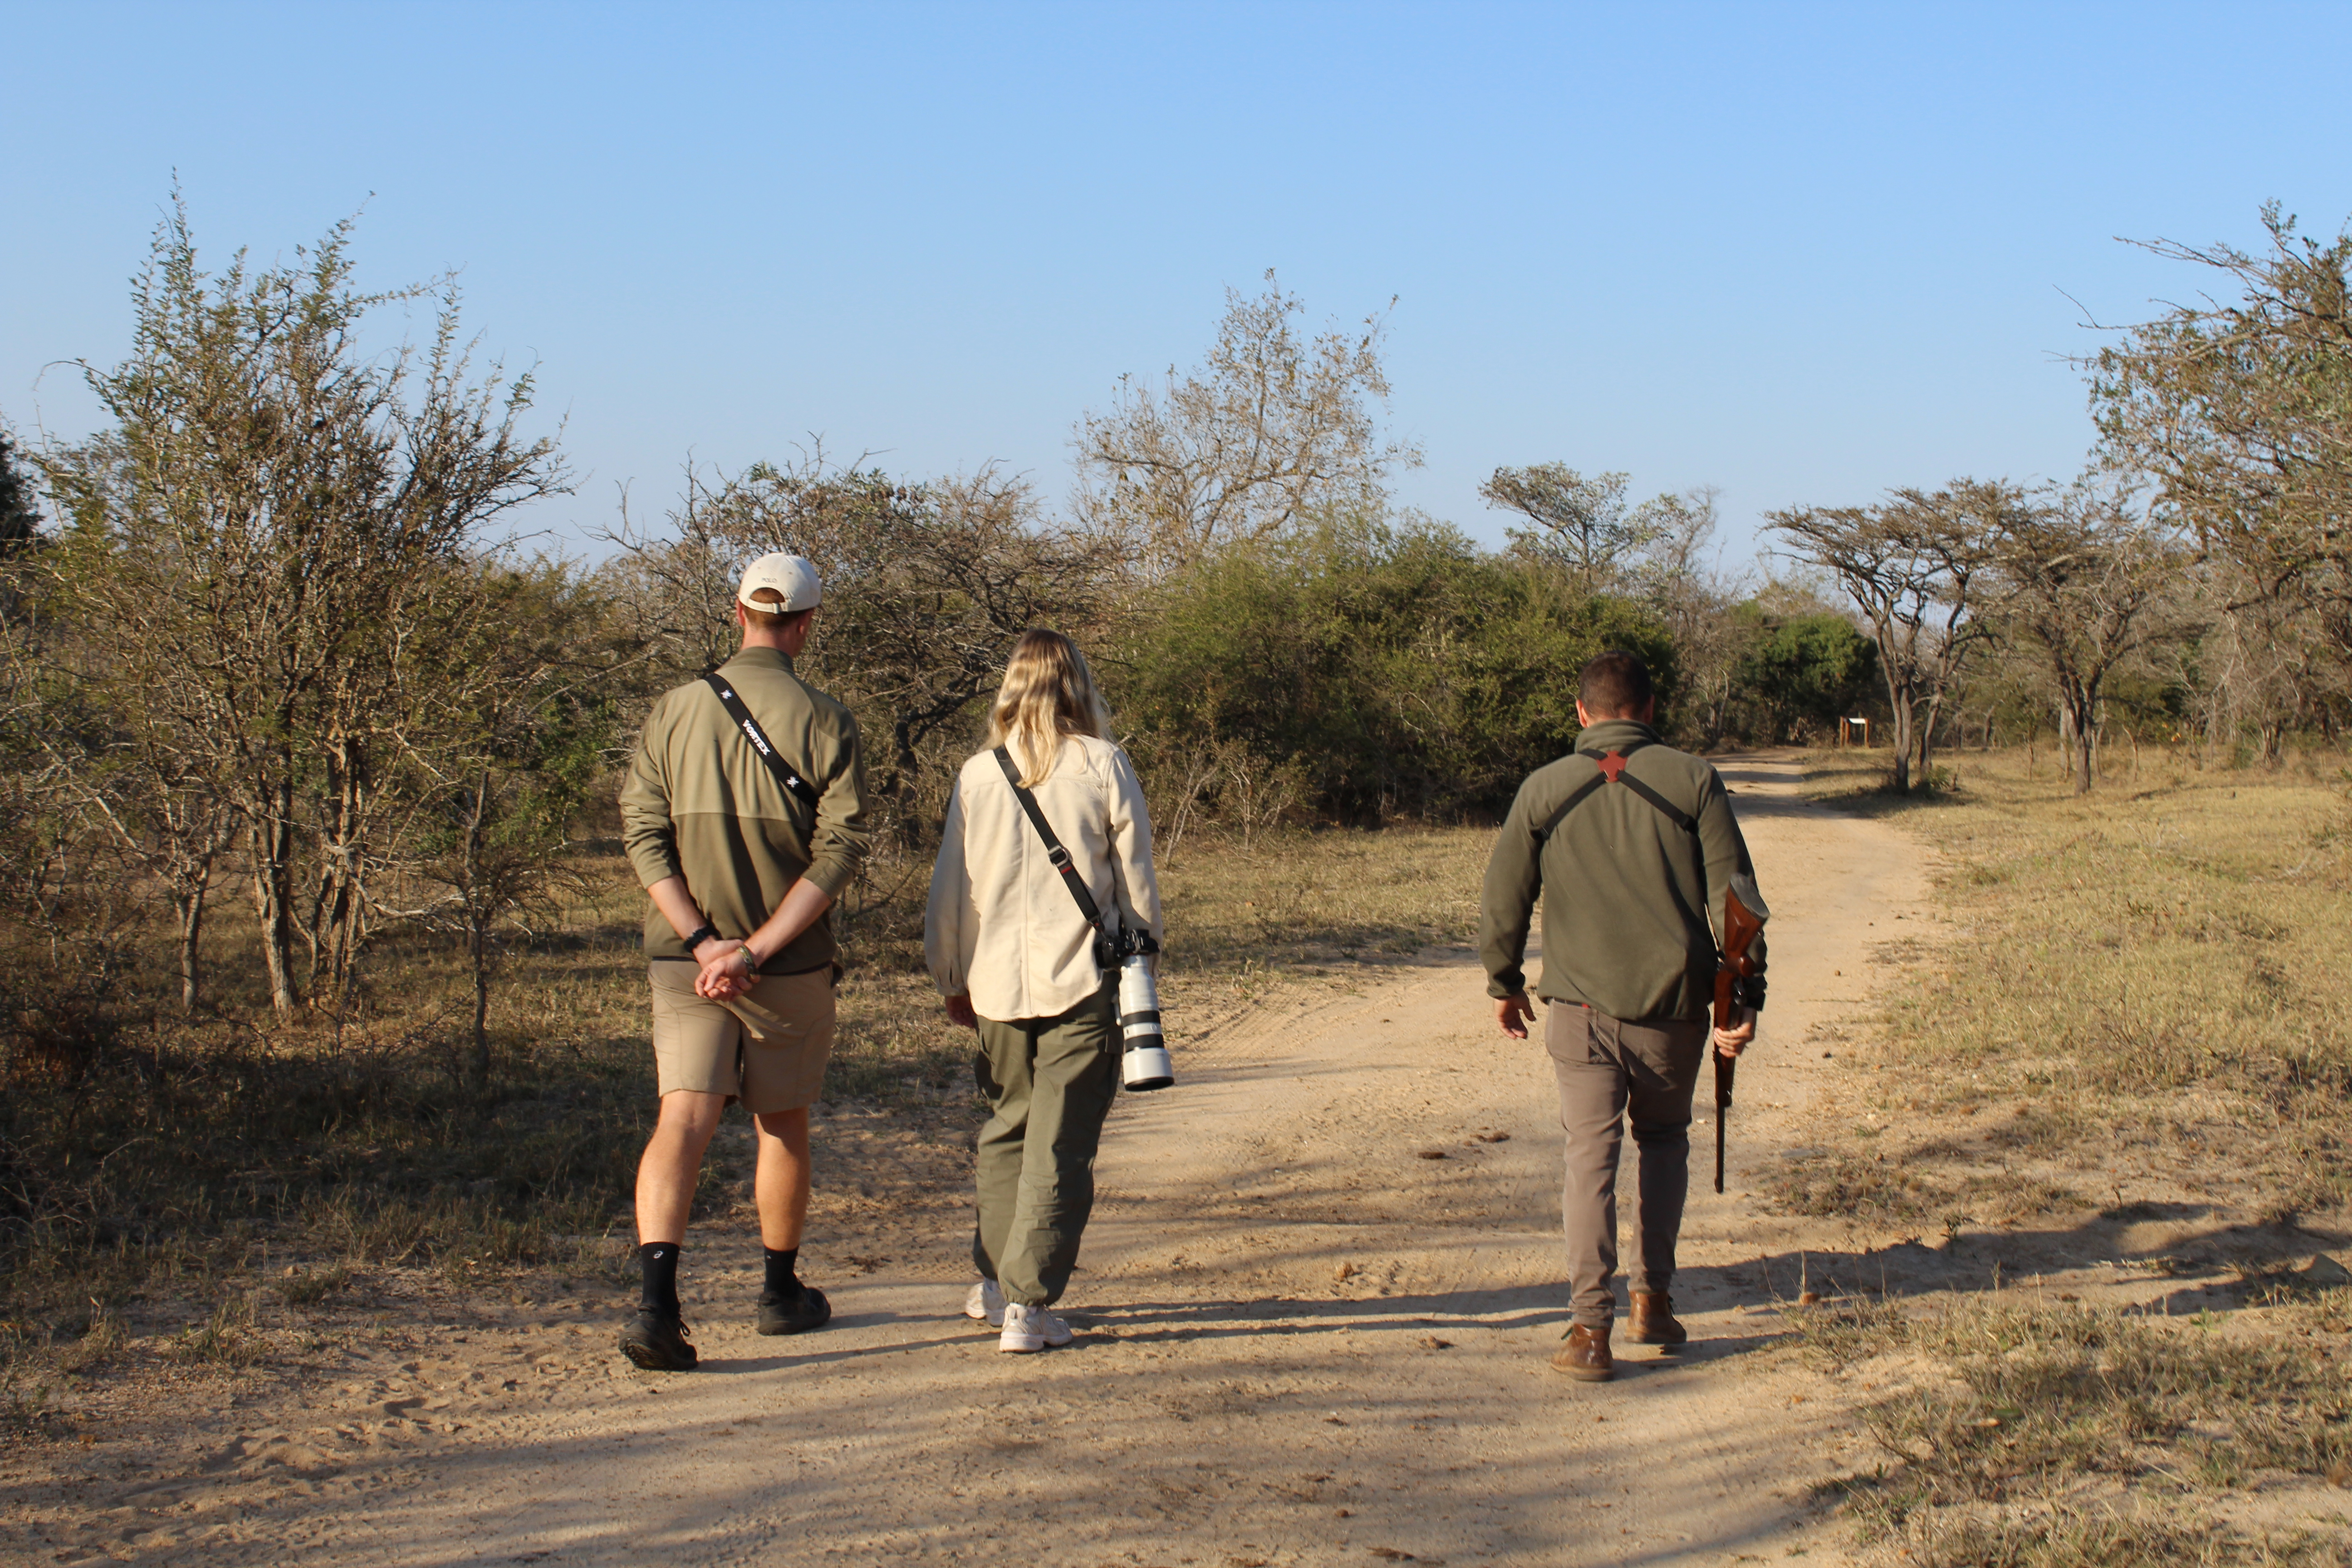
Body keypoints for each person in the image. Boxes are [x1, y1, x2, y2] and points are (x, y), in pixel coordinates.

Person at [614, 552, 873, 1371]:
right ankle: (780, 1293)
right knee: (781, 1121)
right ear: (805, 626)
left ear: (738, 614)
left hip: (685, 965)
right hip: (786, 967)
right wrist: (757, 950)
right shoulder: (828, 720)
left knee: (682, 1119)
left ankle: (658, 1309)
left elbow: (643, 836)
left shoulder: (672, 712)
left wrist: (704, 945)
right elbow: (840, 851)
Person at [1479, 650, 1767, 1383]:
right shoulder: (1695, 780)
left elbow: (1504, 897)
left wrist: (1504, 982)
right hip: (1674, 1008)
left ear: (1582, 713)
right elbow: (1736, 903)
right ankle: (1653, 1302)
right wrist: (1745, 999)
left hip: (1578, 1006)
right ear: (1649, 709)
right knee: (1665, 1142)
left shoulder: (1544, 788)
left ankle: (1588, 1330)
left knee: (1589, 1156)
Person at [924, 630, 1162, 1353]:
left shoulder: (977, 774)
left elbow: (949, 891)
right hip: (1083, 980)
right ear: (1076, 685)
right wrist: (1146, 958)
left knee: (1006, 1131)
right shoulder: (1101, 764)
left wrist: (951, 976)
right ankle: (1029, 1304)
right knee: (1060, 1142)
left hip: (994, 984)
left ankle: (995, 1286)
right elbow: (1137, 878)